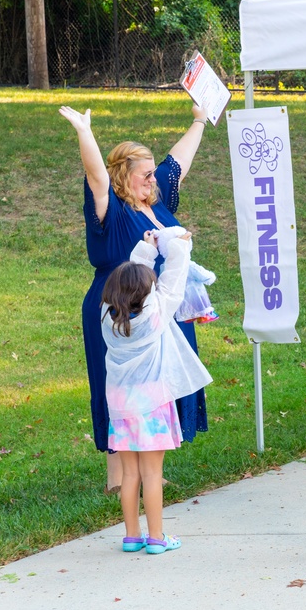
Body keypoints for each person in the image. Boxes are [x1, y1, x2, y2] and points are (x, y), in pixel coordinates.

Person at [60, 103, 210, 495]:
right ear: (125, 176)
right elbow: (96, 173)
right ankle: (119, 479)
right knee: (119, 386)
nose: (153, 180)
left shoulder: (155, 201)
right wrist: (84, 132)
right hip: (119, 310)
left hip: (159, 309)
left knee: (155, 387)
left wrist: (199, 118)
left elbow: (178, 163)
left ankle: (151, 472)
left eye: (152, 175)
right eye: (145, 175)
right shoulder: (110, 207)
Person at [101, 231, 212, 555]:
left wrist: (144, 252)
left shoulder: (107, 316)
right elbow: (175, 276)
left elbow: (129, 282)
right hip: (151, 405)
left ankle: (132, 536)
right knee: (152, 473)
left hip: (120, 406)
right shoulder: (155, 314)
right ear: (146, 292)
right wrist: (173, 244)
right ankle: (157, 537)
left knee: (130, 472)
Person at [154, 225, 219, 323]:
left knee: (184, 304)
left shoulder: (165, 266)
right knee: (200, 303)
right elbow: (200, 273)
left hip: (177, 294)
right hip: (193, 291)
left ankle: (187, 315)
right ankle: (205, 315)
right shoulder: (187, 264)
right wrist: (210, 277)